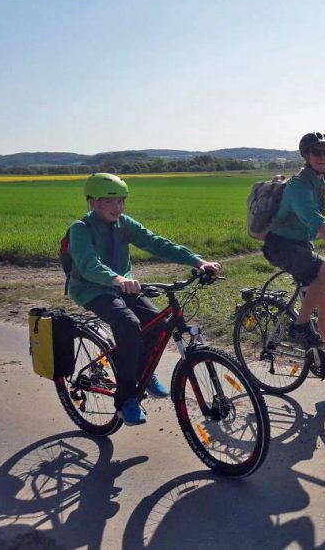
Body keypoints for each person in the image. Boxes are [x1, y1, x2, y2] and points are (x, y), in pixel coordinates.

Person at [67, 173, 221, 425]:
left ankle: (141, 371)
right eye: (109, 202)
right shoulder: (80, 229)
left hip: (123, 287)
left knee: (156, 324)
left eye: (121, 201)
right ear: (92, 202)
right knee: (128, 324)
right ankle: (126, 400)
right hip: (92, 289)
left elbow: (156, 243)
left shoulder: (123, 223)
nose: (117, 208)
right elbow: (88, 265)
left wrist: (198, 261)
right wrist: (117, 279)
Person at [262, 132, 325, 384]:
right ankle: (299, 325)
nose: (322, 157)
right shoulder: (299, 186)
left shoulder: (320, 178)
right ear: (306, 156)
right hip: (281, 245)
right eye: (316, 153)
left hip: (299, 245)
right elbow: (320, 225)